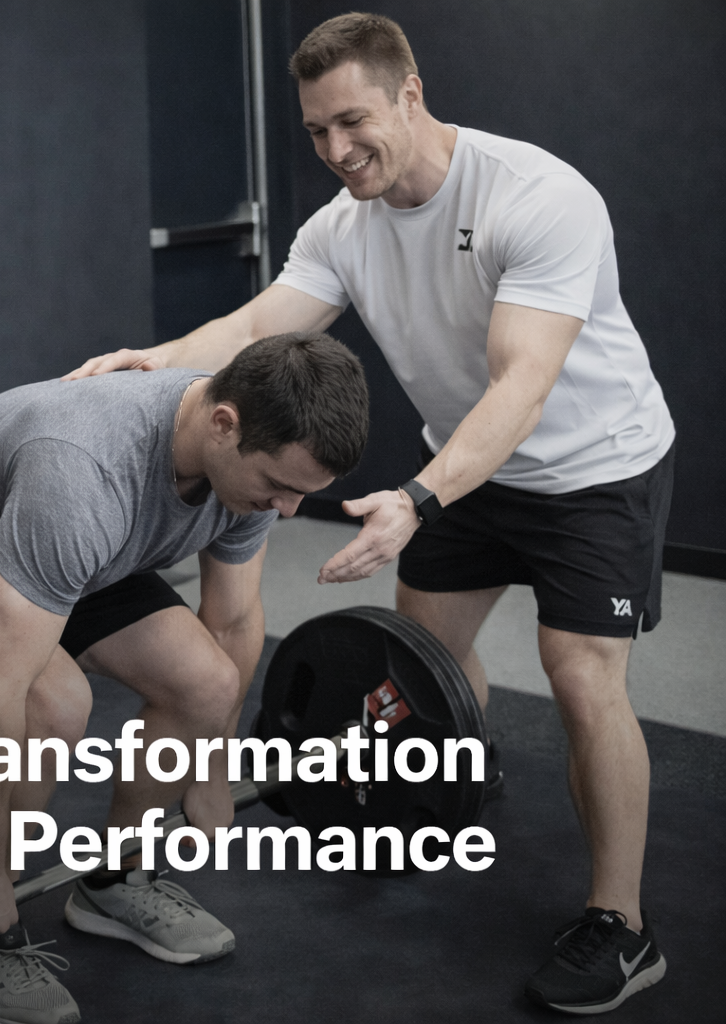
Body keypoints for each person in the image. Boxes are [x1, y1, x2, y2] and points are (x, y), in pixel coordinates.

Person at [65, 12, 674, 1017]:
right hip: (465, 470)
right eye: (314, 132)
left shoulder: (536, 197)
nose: (335, 151)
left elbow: (521, 385)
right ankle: (457, 784)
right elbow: (258, 325)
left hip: (591, 469)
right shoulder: (342, 228)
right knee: (427, 659)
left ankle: (621, 923)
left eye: (351, 121)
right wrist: (156, 357)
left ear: (408, 92)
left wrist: (419, 497)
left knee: (579, 676)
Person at [0, 332, 368, 1024]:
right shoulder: (82, 473)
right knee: (52, 704)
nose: (289, 511)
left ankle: (113, 878)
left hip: (87, 547)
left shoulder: (248, 470)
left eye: (303, 494)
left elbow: (235, 623)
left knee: (206, 686)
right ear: (224, 425)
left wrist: (213, 767)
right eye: (277, 486)